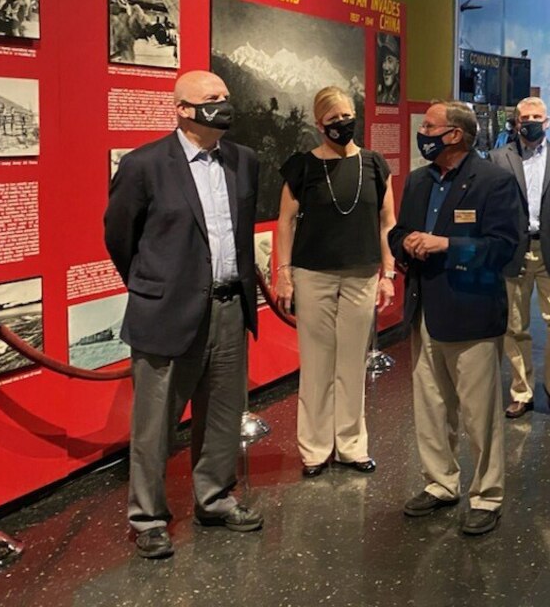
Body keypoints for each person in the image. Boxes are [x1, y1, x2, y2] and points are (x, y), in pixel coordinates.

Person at [103, 70, 262, 560]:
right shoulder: (144, 165)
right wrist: (155, 288)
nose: (223, 104)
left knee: (222, 413)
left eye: (226, 97)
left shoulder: (244, 162)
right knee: (155, 424)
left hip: (229, 307)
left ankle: (213, 498)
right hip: (166, 313)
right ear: (182, 109)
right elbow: (119, 237)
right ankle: (148, 518)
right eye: (211, 99)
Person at [389, 101, 521, 536]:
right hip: (425, 308)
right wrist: (406, 240)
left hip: (472, 310)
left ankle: (487, 495)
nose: (421, 132)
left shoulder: (494, 182)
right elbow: (398, 231)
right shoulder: (417, 181)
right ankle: (440, 483)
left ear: (456, 135)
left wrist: (446, 245)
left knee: (478, 413)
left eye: (429, 126)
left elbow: (503, 248)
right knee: (430, 405)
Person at [274, 86, 397, 478]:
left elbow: (387, 223)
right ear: (319, 124)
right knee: (316, 364)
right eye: (334, 120)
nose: (343, 124)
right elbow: (285, 222)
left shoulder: (375, 165)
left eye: (347, 116)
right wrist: (284, 274)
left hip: (362, 274)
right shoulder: (302, 166)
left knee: (352, 363)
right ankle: (314, 449)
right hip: (314, 275)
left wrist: (388, 273)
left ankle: (351, 445)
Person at [489, 97, 550, 418]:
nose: (531, 121)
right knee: (514, 326)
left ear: (547, 122)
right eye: (525, 117)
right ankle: (522, 391)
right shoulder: (498, 158)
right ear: (517, 122)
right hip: (513, 251)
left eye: (537, 116)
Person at [376, 34, 401, 105]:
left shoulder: (399, 98)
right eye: (384, 61)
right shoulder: (380, 98)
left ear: (397, 67)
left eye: (390, 61)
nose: (385, 67)